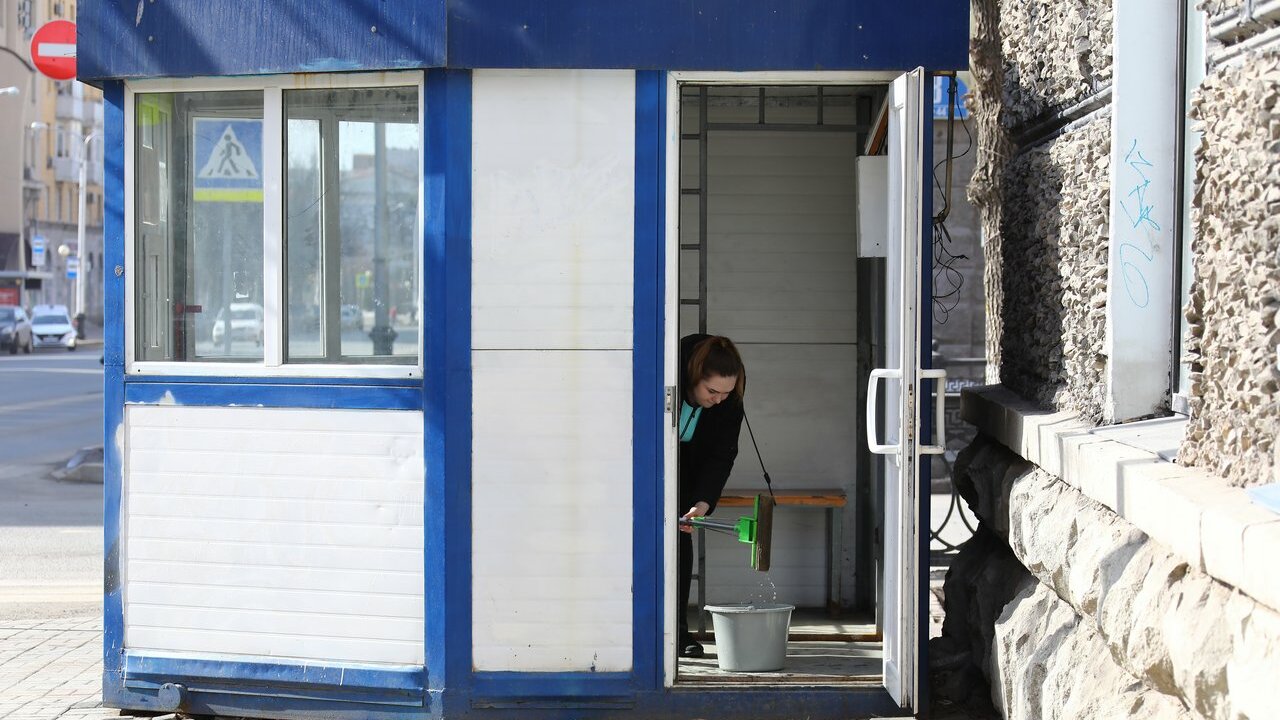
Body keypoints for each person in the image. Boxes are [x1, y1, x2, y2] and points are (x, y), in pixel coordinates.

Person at [677, 334, 746, 658]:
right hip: (646, 464)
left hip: (690, 472)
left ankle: (677, 631)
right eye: (712, 391)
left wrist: (702, 502)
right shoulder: (667, 373)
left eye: (726, 393)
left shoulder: (728, 402)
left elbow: (722, 454)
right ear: (693, 376)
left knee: (680, 542)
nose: (719, 399)